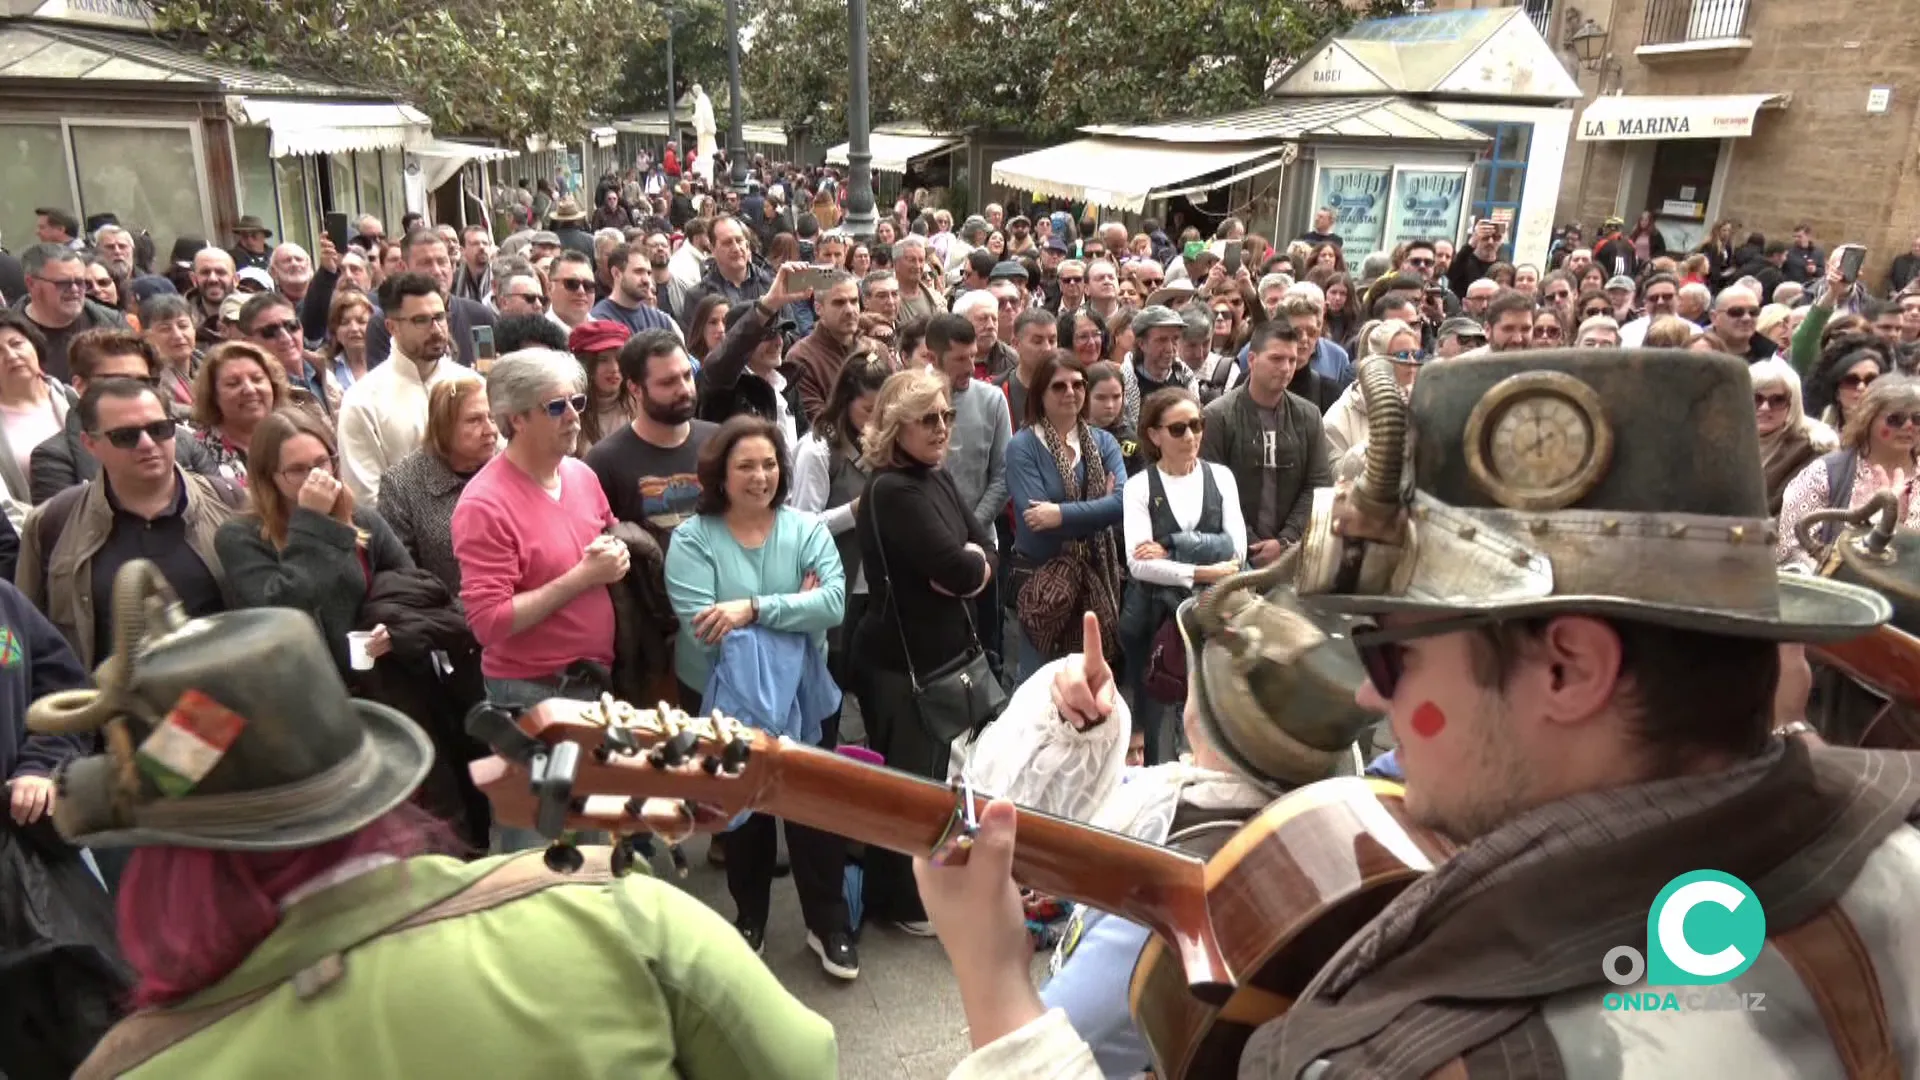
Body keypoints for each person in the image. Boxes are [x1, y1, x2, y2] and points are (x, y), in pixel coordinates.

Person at [922, 349, 1920, 1080]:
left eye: (1394, 652)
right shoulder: (1900, 866)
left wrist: (1000, 996)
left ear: (1568, 668)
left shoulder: (1410, 1061)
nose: (1367, 692)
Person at [33, 563, 837, 1080]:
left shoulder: (136, 1068)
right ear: (364, 776)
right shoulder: (606, 907)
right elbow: (801, 1066)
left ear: (161, 852)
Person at [663, 416, 854, 975]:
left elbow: (835, 605)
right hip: (721, 699)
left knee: (814, 811)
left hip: (805, 695)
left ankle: (829, 924)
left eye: (770, 464)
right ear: (720, 473)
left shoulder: (807, 529)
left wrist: (752, 608)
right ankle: (751, 919)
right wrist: (796, 606)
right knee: (741, 815)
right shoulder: (692, 539)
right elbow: (705, 628)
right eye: (746, 465)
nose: (760, 476)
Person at [852, 368, 995, 935]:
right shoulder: (892, 489)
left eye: (946, 416)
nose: (941, 428)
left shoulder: (932, 476)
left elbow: (979, 549)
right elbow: (958, 565)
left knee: (938, 781)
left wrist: (969, 566)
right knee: (912, 787)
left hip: (941, 655)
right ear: (894, 425)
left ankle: (924, 885)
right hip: (900, 666)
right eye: (927, 419)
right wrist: (967, 566)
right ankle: (902, 903)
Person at [215, 408, 414, 677]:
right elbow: (285, 608)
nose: (316, 477)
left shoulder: (362, 519)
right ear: (268, 477)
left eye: (322, 463)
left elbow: (414, 585)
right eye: (297, 470)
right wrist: (313, 521)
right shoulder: (239, 537)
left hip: (378, 680)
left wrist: (395, 626)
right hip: (302, 689)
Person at [1119, 387, 1244, 763]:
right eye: (1178, 429)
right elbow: (1139, 562)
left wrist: (1172, 543)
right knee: (1158, 715)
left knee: (1211, 712)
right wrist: (1202, 570)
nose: (1190, 436)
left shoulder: (1220, 477)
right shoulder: (1140, 486)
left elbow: (1235, 549)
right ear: (1154, 435)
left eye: (1196, 425)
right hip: (1156, 618)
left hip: (1212, 615)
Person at [1006, 351, 1125, 680]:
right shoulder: (1023, 446)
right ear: (1040, 394)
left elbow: (1121, 504)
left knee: (1089, 677)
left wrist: (1060, 513)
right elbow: (1036, 521)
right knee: (1038, 681)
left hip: (1096, 577)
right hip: (1043, 583)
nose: (1070, 392)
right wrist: (1098, 508)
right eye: (1058, 386)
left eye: (1078, 384)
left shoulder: (1104, 442)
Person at [377, 376, 496, 598]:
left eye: (492, 417)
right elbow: (401, 575)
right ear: (444, 426)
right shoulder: (401, 486)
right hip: (446, 618)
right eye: (474, 420)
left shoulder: (508, 467)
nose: (490, 429)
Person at [187, 342, 289, 487]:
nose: (249, 389)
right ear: (213, 396)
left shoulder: (293, 437)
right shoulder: (196, 453)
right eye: (233, 383)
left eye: (257, 379)